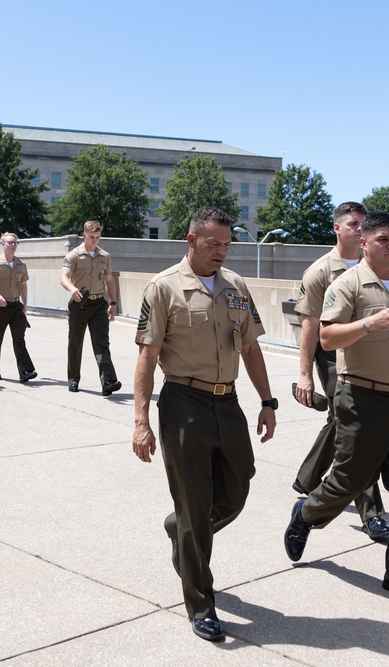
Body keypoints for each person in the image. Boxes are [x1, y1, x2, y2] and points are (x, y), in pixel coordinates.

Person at [284, 212, 389, 605]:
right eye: (382, 239)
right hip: (361, 398)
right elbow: (326, 336)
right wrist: (368, 324)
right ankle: (306, 512)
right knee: (350, 481)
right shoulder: (347, 285)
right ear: (365, 243)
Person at [133, 207, 277, 643]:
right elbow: (146, 356)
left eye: (227, 243)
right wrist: (141, 419)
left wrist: (268, 401)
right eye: (213, 243)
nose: (221, 250)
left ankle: (180, 529)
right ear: (191, 241)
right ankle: (201, 604)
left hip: (227, 401)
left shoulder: (236, 286)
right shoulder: (164, 288)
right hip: (184, 402)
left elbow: (250, 348)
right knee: (195, 504)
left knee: (236, 491)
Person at [293, 202, 389, 542]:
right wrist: (305, 374)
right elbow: (308, 326)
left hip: (367, 355)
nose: (359, 229)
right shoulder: (319, 272)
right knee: (356, 427)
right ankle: (372, 513)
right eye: (353, 224)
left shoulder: (375, 267)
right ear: (337, 228)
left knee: (341, 421)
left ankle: (307, 477)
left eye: (364, 224)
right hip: (333, 355)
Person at [59, 220, 120, 395]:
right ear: (84, 235)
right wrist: (72, 288)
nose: (95, 241)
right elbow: (64, 275)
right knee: (75, 344)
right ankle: (73, 380)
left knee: (102, 343)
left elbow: (109, 280)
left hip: (99, 304)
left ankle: (108, 381)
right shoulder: (74, 256)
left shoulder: (105, 256)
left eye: (98, 237)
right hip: (80, 304)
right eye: (92, 237)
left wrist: (113, 302)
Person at [0, 232, 37, 382]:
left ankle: (25, 371)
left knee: (19, 338)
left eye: (15, 243)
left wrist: (25, 304)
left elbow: (24, 285)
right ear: (3, 245)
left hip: (16, 306)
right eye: (10, 243)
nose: (13, 245)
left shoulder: (21, 265)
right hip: (0, 306)